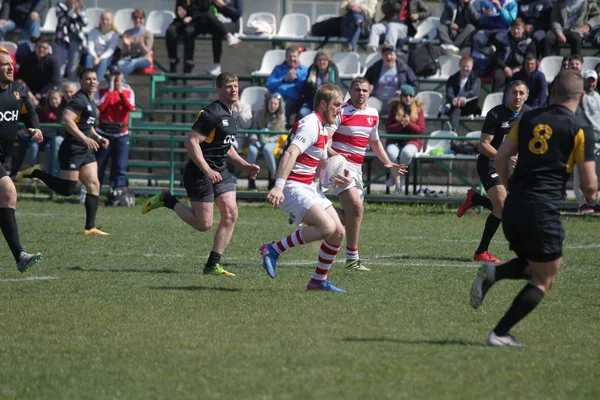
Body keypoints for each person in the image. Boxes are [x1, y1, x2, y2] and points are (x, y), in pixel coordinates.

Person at [470, 69, 598, 346]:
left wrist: (511, 186)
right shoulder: (580, 129)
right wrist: (592, 193)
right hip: (542, 209)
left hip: (514, 207)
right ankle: (499, 333)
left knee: (535, 265)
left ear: (551, 93)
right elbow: (588, 188)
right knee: (545, 278)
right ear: (581, 96)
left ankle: (495, 273)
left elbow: (502, 155)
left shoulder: (528, 118)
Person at [142, 72, 260, 277]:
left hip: (220, 170)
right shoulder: (211, 113)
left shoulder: (232, 115)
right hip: (199, 172)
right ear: (219, 90)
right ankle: (167, 199)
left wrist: (244, 165)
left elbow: (226, 147)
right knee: (203, 224)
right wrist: (207, 169)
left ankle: (212, 264)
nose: (234, 90)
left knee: (231, 214)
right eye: (229, 86)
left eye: (236, 86)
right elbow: (191, 142)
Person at [259, 83, 348, 292]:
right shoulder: (310, 124)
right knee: (326, 227)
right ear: (323, 104)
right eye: (336, 105)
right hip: (292, 186)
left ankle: (318, 280)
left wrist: (338, 174)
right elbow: (290, 153)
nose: (339, 110)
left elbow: (319, 166)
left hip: (309, 186)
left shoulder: (322, 128)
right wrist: (278, 187)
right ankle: (273, 249)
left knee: (338, 233)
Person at [327, 77, 407, 271]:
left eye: (364, 90)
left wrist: (387, 162)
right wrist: (339, 158)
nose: (360, 93)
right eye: (357, 90)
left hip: (356, 169)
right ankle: (352, 259)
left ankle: (310, 211)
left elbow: (375, 142)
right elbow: (325, 142)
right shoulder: (341, 112)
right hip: (339, 166)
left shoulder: (373, 114)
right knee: (355, 206)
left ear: (369, 92)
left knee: (353, 214)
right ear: (350, 91)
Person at [18, 68, 110, 236]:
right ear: (81, 82)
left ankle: (90, 228)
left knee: (94, 184)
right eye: (88, 79)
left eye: (94, 78)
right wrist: (84, 138)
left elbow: (86, 125)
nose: (92, 81)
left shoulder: (90, 101)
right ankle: (36, 172)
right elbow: (66, 121)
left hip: (85, 148)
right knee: (68, 190)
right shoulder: (78, 100)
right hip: (73, 149)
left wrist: (97, 137)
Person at [457, 80, 531, 264]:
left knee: (508, 208)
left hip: (513, 165)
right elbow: (483, 145)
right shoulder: (496, 114)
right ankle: (481, 251)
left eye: (522, 93)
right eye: (514, 92)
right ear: (508, 94)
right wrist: (504, 156)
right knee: (504, 206)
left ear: (527, 96)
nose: (518, 96)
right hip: (490, 163)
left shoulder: (529, 114)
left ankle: (475, 199)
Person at [0, 50, 43, 272]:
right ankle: (20, 256)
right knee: (8, 192)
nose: (10, 68)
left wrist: (33, 127)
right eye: (4, 65)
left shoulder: (17, 91)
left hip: (1, 157)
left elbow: (27, 111)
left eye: (11, 64)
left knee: (6, 196)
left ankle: (20, 257)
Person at [166, 0, 241, 75]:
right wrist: (180, 14)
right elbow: (178, 9)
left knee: (189, 31)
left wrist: (191, 17)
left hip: (196, 20)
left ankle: (189, 61)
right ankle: (173, 59)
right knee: (170, 31)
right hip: (182, 20)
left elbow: (204, 11)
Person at [94, 70, 135, 191]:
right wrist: (110, 91)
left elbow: (130, 107)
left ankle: (117, 193)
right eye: (114, 78)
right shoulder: (101, 90)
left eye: (119, 78)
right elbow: (101, 106)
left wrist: (120, 92)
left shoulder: (128, 91)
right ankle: (95, 192)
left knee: (120, 166)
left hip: (121, 134)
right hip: (103, 133)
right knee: (99, 165)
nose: (117, 81)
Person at [11, 90, 64, 177]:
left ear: (61, 99)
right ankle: (34, 173)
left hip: (55, 137)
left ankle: (50, 174)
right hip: (44, 136)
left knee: (49, 147)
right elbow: (38, 124)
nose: (54, 101)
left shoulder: (63, 111)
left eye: (56, 99)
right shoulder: (44, 110)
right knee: (34, 146)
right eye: (52, 99)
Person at [384, 84, 424, 194]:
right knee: (391, 153)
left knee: (406, 153)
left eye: (411, 96)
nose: (408, 98)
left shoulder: (419, 110)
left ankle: (396, 178)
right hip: (395, 141)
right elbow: (389, 128)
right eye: (406, 95)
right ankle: (398, 180)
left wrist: (409, 124)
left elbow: (420, 129)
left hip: (413, 141)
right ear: (401, 96)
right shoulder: (395, 108)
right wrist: (401, 125)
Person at [364, 44, 419, 114]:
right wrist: (368, 86)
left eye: (391, 54)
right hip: (376, 99)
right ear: (382, 56)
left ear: (395, 55)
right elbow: (362, 83)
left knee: (402, 110)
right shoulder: (374, 68)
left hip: (396, 100)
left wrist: (405, 91)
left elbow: (415, 85)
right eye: (385, 54)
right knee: (366, 108)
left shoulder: (404, 68)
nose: (388, 57)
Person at [248, 92, 286, 190]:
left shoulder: (281, 116)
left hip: (272, 141)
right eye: (271, 103)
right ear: (267, 103)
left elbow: (278, 135)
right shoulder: (260, 113)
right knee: (252, 150)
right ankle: (251, 179)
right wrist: (254, 138)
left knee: (267, 149)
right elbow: (254, 128)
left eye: (275, 104)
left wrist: (269, 139)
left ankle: (273, 177)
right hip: (258, 139)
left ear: (279, 105)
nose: (273, 106)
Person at [574, 69, 600, 212]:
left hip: (597, 138)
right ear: (584, 81)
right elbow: (585, 116)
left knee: (595, 171)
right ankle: (581, 202)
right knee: (581, 170)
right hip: (585, 136)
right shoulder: (581, 96)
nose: (591, 83)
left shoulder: (597, 95)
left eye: (593, 80)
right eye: (588, 80)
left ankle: (592, 201)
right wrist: (597, 128)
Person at [491, 18, 536, 93]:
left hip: (521, 68)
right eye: (513, 28)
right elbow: (498, 58)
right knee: (498, 77)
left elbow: (531, 58)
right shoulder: (504, 40)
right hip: (505, 67)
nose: (516, 31)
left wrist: (520, 68)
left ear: (523, 29)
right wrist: (505, 68)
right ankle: (496, 100)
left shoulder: (529, 43)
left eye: (518, 28)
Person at [15, 36, 61, 105]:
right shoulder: (27, 59)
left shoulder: (53, 60)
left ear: (48, 49)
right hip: (28, 92)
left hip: (46, 93)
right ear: (35, 47)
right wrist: (29, 94)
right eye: (39, 47)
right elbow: (20, 79)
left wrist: (40, 94)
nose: (41, 50)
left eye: (44, 48)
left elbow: (55, 81)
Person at [266, 46, 308, 120]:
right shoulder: (278, 68)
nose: (292, 59)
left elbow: (306, 89)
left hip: (293, 101)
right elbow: (269, 84)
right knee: (264, 108)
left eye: (294, 56)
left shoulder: (304, 70)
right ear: (286, 57)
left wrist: (295, 79)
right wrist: (284, 79)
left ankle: (277, 129)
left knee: (279, 106)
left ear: (298, 57)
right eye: (289, 56)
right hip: (275, 98)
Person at [298, 50, 340, 119]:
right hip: (312, 102)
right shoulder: (312, 70)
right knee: (303, 113)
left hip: (328, 103)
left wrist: (326, 84)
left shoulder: (333, 71)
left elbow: (336, 89)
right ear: (316, 61)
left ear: (328, 61)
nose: (322, 62)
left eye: (324, 60)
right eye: (319, 60)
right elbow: (305, 91)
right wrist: (312, 84)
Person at [444, 55, 481, 131]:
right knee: (456, 107)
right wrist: (454, 99)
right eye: (463, 66)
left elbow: (474, 92)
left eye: (467, 66)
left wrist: (462, 97)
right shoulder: (452, 78)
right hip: (455, 106)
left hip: (469, 106)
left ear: (472, 66)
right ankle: (453, 132)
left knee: (458, 106)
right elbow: (449, 93)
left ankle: (452, 132)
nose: (465, 69)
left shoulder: (476, 79)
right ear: (459, 66)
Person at [55, 0, 88, 80]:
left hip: (76, 39)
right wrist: (71, 10)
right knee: (60, 65)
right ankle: (58, 86)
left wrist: (78, 12)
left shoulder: (81, 7)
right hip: (62, 39)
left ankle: (72, 86)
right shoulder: (60, 5)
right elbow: (63, 21)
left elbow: (85, 23)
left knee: (73, 66)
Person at [209, 0, 244, 76]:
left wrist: (223, 6)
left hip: (232, 23)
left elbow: (237, 14)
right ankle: (230, 38)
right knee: (216, 30)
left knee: (217, 31)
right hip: (217, 23)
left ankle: (216, 65)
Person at [85, 11, 119, 83]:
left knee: (104, 61)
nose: (105, 22)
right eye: (103, 19)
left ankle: (96, 82)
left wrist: (99, 58)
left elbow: (110, 50)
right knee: (88, 58)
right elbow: (90, 46)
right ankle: (87, 79)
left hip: (106, 57)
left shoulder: (114, 35)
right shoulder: (93, 32)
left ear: (112, 21)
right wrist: (95, 57)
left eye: (107, 20)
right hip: (94, 55)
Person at [117, 9, 154, 77]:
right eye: (135, 18)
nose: (137, 20)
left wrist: (141, 45)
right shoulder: (127, 33)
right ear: (132, 19)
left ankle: (121, 80)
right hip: (131, 58)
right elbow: (125, 53)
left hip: (144, 59)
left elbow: (147, 52)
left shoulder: (148, 33)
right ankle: (118, 81)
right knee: (120, 63)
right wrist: (127, 45)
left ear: (144, 19)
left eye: (140, 18)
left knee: (133, 62)